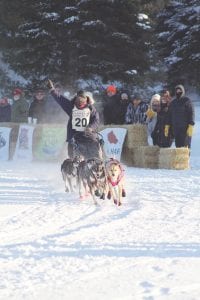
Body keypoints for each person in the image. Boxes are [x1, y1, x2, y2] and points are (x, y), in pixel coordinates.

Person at [47, 79, 102, 159]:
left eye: (82, 99)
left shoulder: (91, 109)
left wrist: (90, 127)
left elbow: (96, 120)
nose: (80, 101)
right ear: (76, 98)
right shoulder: (71, 107)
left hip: (89, 137)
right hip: (75, 137)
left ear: (86, 99)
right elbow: (60, 99)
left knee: (96, 157)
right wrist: (52, 90)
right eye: (78, 99)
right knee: (74, 160)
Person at [164, 84, 195, 148]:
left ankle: (186, 158)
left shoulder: (187, 100)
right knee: (178, 147)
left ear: (183, 91)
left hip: (186, 128)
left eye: (180, 90)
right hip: (176, 129)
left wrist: (191, 124)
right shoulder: (173, 102)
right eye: (177, 91)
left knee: (185, 147)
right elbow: (169, 115)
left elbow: (191, 112)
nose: (178, 92)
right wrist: (167, 125)